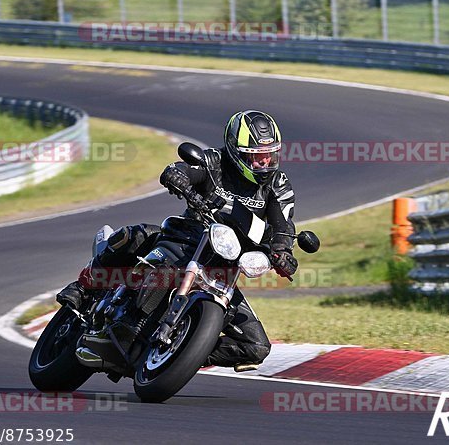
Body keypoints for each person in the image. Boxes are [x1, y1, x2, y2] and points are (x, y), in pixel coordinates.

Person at [58, 110, 298, 371]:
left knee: (256, 347)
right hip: (186, 237)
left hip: (226, 263)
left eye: (268, 156)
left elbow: (283, 227)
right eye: (255, 158)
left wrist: (282, 252)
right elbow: (180, 169)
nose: (263, 163)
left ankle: (179, 351)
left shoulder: (278, 185)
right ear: (235, 150)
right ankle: (83, 288)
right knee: (132, 236)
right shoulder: (214, 162)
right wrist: (179, 179)